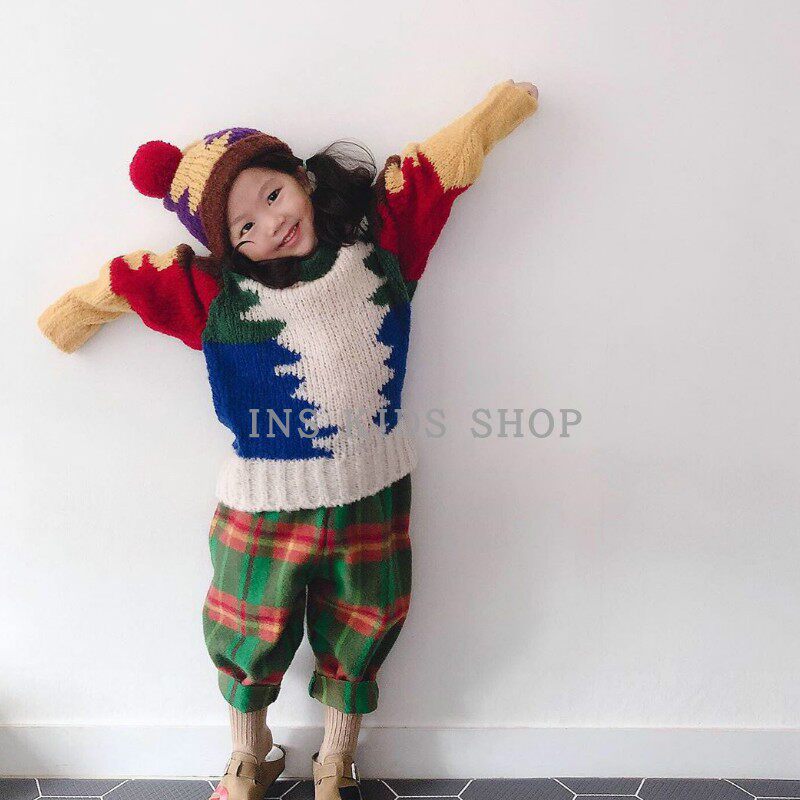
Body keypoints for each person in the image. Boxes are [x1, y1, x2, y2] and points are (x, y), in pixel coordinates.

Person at [37, 78, 539, 800]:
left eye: (273, 196)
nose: (270, 226)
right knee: (248, 628)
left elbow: (435, 170)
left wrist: (499, 111)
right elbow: (132, 282)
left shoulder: (378, 247)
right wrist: (71, 317)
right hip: (263, 502)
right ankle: (250, 758)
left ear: (302, 176)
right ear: (227, 247)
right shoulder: (219, 297)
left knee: (368, 618)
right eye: (243, 228)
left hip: (373, 487)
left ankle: (336, 761)